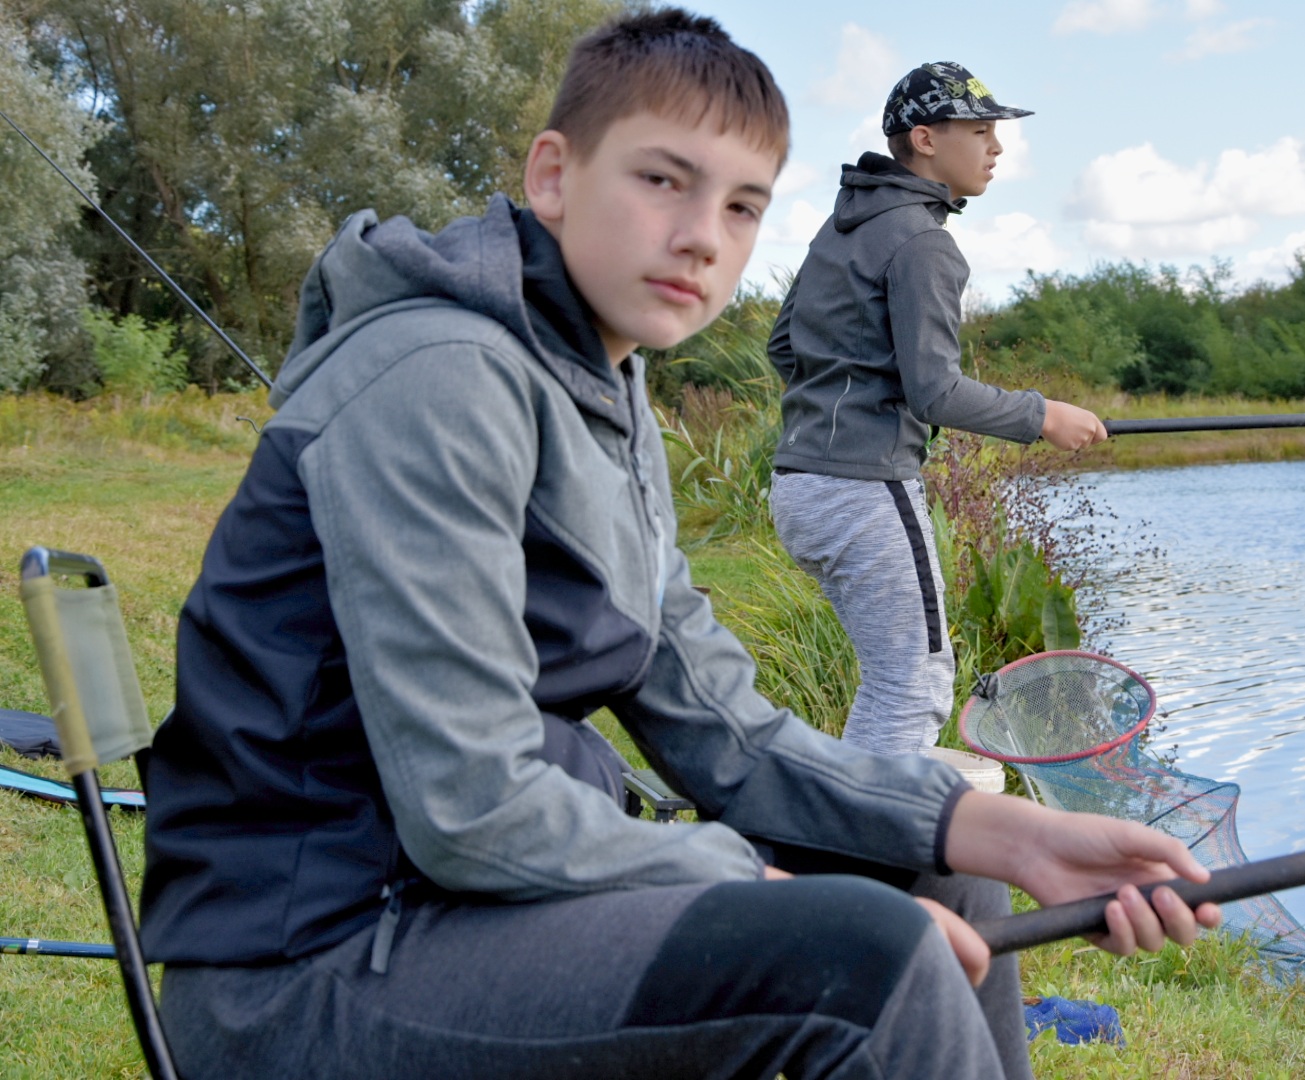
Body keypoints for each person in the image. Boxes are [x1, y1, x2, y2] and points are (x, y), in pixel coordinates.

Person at [139, 13, 1219, 1080]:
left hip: (461, 906)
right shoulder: (441, 378)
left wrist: (997, 831)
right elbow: (473, 805)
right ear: (554, 176)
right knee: (867, 961)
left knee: (942, 876)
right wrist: (756, 889)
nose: (705, 235)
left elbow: (726, 732)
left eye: (742, 206)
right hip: (315, 960)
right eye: (663, 181)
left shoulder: (604, 390)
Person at [769, 62, 1109, 756]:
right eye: (979, 131)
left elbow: (784, 345)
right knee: (913, 686)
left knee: (892, 681)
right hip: (864, 492)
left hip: (799, 487)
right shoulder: (923, 241)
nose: (997, 147)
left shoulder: (843, 225)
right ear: (925, 139)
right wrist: (1044, 415)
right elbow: (936, 392)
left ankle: (853, 814)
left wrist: (842, 401)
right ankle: (867, 825)